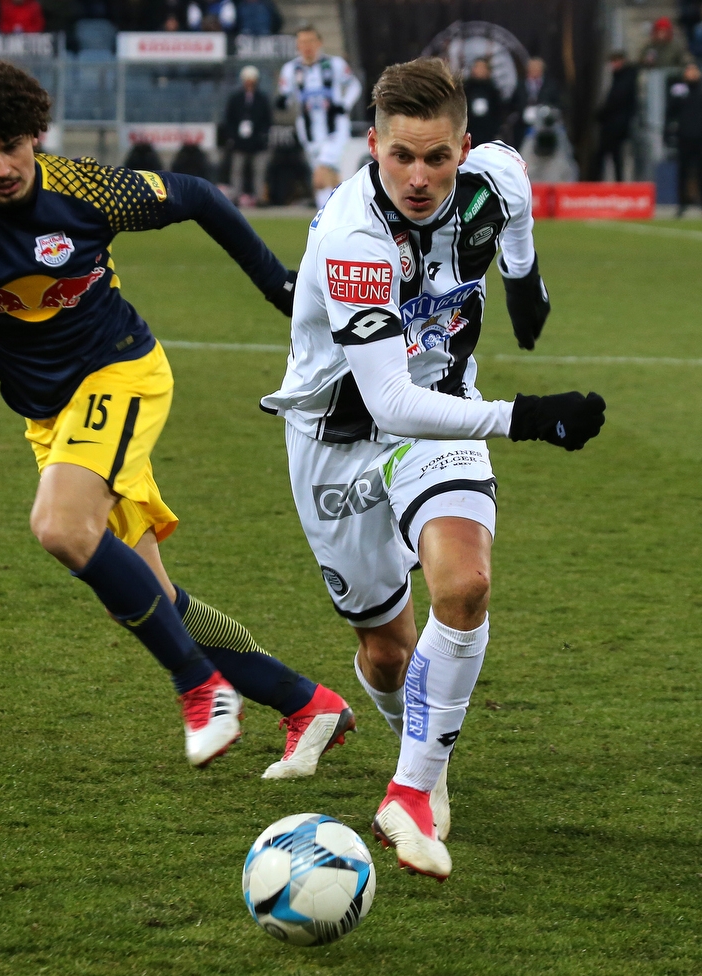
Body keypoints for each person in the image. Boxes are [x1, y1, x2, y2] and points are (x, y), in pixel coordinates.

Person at [0, 60, 356, 779]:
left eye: (13, 145)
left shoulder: (86, 188)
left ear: (33, 135)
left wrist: (280, 288)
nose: (3, 167)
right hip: (49, 416)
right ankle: (307, 702)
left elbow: (201, 197)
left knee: (58, 527)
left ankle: (202, 690)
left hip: (121, 372)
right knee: (147, 596)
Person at [260, 57, 606, 880]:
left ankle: (409, 791)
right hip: (340, 433)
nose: (419, 178)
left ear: (465, 148)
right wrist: (528, 417)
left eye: (437, 158)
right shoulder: (352, 234)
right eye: (400, 158)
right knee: (386, 650)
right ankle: (428, 759)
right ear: (372, 145)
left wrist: (524, 281)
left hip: (440, 412)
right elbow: (387, 403)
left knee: (465, 585)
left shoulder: (495, 178)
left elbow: (515, 210)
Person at [277, 24, 362, 210]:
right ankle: (340, 214)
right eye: (302, 42)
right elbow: (286, 96)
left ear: (319, 43)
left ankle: (324, 217)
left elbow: (355, 86)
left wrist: (343, 106)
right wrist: (283, 101)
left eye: (310, 41)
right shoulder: (290, 69)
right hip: (309, 133)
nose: (307, 46)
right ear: (297, 45)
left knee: (319, 176)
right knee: (331, 177)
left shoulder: (335, 64)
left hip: (335, 129)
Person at [219, 64, 273, 207]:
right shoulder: (236, 98)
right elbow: (229, 119)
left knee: (259, 171)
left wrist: (260, 136)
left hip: (258, 143)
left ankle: (260, 198)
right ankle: (235, 197)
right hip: (239, 142)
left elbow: (267, 120)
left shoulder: (262, 99)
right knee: (237, 170)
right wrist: (234, 137)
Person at [594, 50, 638, 181]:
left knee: (612, 156)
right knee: (609, 156)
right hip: (613, 124)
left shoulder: (625, 79)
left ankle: (613, 183)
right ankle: (608, 182)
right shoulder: (618, 78)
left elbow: (616, 100)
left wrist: (600, 114)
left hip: (616, 125)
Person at [667, 60, 702, 215]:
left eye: (694, 71)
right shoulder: (679, 91)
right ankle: (682, 203)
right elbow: (670, 113)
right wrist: (667, 133)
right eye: (689, 71)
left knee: (700, 170)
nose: (692, 74)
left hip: (700, 137)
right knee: (683, 170)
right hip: (684, 137)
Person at [510, 56, 560, 149]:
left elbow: (556, 103)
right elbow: (513, 103)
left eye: (537, 68)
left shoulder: (550, 85)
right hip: (522, 126)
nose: (534, 70)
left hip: (543, 128)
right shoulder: (520, 85)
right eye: (531, 68)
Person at [463, 57, 505, 148]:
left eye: (483, 68)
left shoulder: (494, 91)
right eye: (477, 67)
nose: (479, 70)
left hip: (488, 135)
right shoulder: (465, 89)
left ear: (488, 71)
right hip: (468, 133)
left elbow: (498, 113)